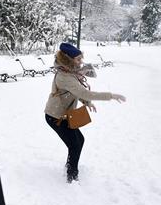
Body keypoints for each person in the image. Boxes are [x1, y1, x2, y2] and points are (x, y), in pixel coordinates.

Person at [45, 42, 126, 183]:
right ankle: (72, 176)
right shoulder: (65, 76)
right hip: (55, 116)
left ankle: (70, 168)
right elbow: (83, 92)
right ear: (68, 60)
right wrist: (111, 95)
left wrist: (87, 103)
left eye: (81, 58)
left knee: (79, 141)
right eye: (78, 59)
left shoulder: (69, 71)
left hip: (63, 114)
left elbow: (76, 91)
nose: (81, 61)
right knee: (75, 144)